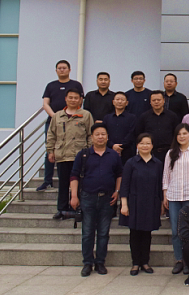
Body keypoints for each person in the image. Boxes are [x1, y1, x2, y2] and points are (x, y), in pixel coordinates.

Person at [69, 124, 122, 277]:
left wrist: (117, 191)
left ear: (107, 137)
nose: (100, 137)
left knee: (104, 233)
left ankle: (100, 262)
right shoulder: (83, 155)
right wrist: (74, 196)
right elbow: (74, 175)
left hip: (107, 198)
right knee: (87, 233)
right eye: (97, 134)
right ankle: (87, 263)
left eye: (103, 134)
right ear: (92, 137)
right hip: (88, 197)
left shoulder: (113, 155)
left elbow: (119, 174)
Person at [162, 123, 189, 274]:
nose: (182, 136)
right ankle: (179, 260)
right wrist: (165, 194)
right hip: (174, 196)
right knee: (176, 231)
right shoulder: (170, 153)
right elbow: (166, 176)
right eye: (179, 134)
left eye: (184, 133)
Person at [119, 133, 163, 275]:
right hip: (134, 202)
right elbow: (124, 185)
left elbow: (160, 185)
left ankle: (145, 262)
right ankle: (135, 263)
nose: (145, 146)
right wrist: (124, 204)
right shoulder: (131, 163)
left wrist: (161, 203)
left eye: (148, 143)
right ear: (137, 145)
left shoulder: (157, 164)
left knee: (147, 233)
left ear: (152, 145)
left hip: (151, 202)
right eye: (142, 143)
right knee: (134, 233)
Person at [47, 88, 93, 219]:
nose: (73, 100)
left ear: (80, 100)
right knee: (63, 183)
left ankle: (79, 208)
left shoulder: (86, 115)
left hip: (80, 155)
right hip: (62, 154)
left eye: (76, 98)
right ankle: (62, 209)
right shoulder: (57, 116)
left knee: (80, 183)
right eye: (70, 97)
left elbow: (90, 135)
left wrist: (89, 152)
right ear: (66, 99)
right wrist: (50, 151)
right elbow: (51, 134)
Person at [38, 60, 84, 191]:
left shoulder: (76, 85)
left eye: (64, 68)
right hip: (54, 121)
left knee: (74, 149)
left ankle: (75, 180)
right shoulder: (51, 85)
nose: (62, 70)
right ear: (56, 70)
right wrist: (55, 117)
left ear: (69, 70)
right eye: (59, 68)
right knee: (50, 150)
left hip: (72, 121)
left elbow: (80, 101)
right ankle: (47, 181)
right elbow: (45, 104)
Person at [134, 91, 180, 162]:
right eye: (154, 100)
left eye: (159, 100)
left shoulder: (172, 116)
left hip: (168, 152)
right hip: (150, 152)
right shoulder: (144, 117)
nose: (156, 102)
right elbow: (139, 134)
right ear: (150, 102)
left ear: (164, 101)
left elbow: (176, 133)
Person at [102, 92, 137, 166]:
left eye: (122, 100)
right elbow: (104, 133)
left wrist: (121, 146)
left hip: (127, 151)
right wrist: (112, 145)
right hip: (109, 150)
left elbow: (132, 133)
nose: (120, 102)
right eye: (117, 99)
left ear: (127, 103)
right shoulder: (107, 118)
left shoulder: (132, 118)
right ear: (113, 102)